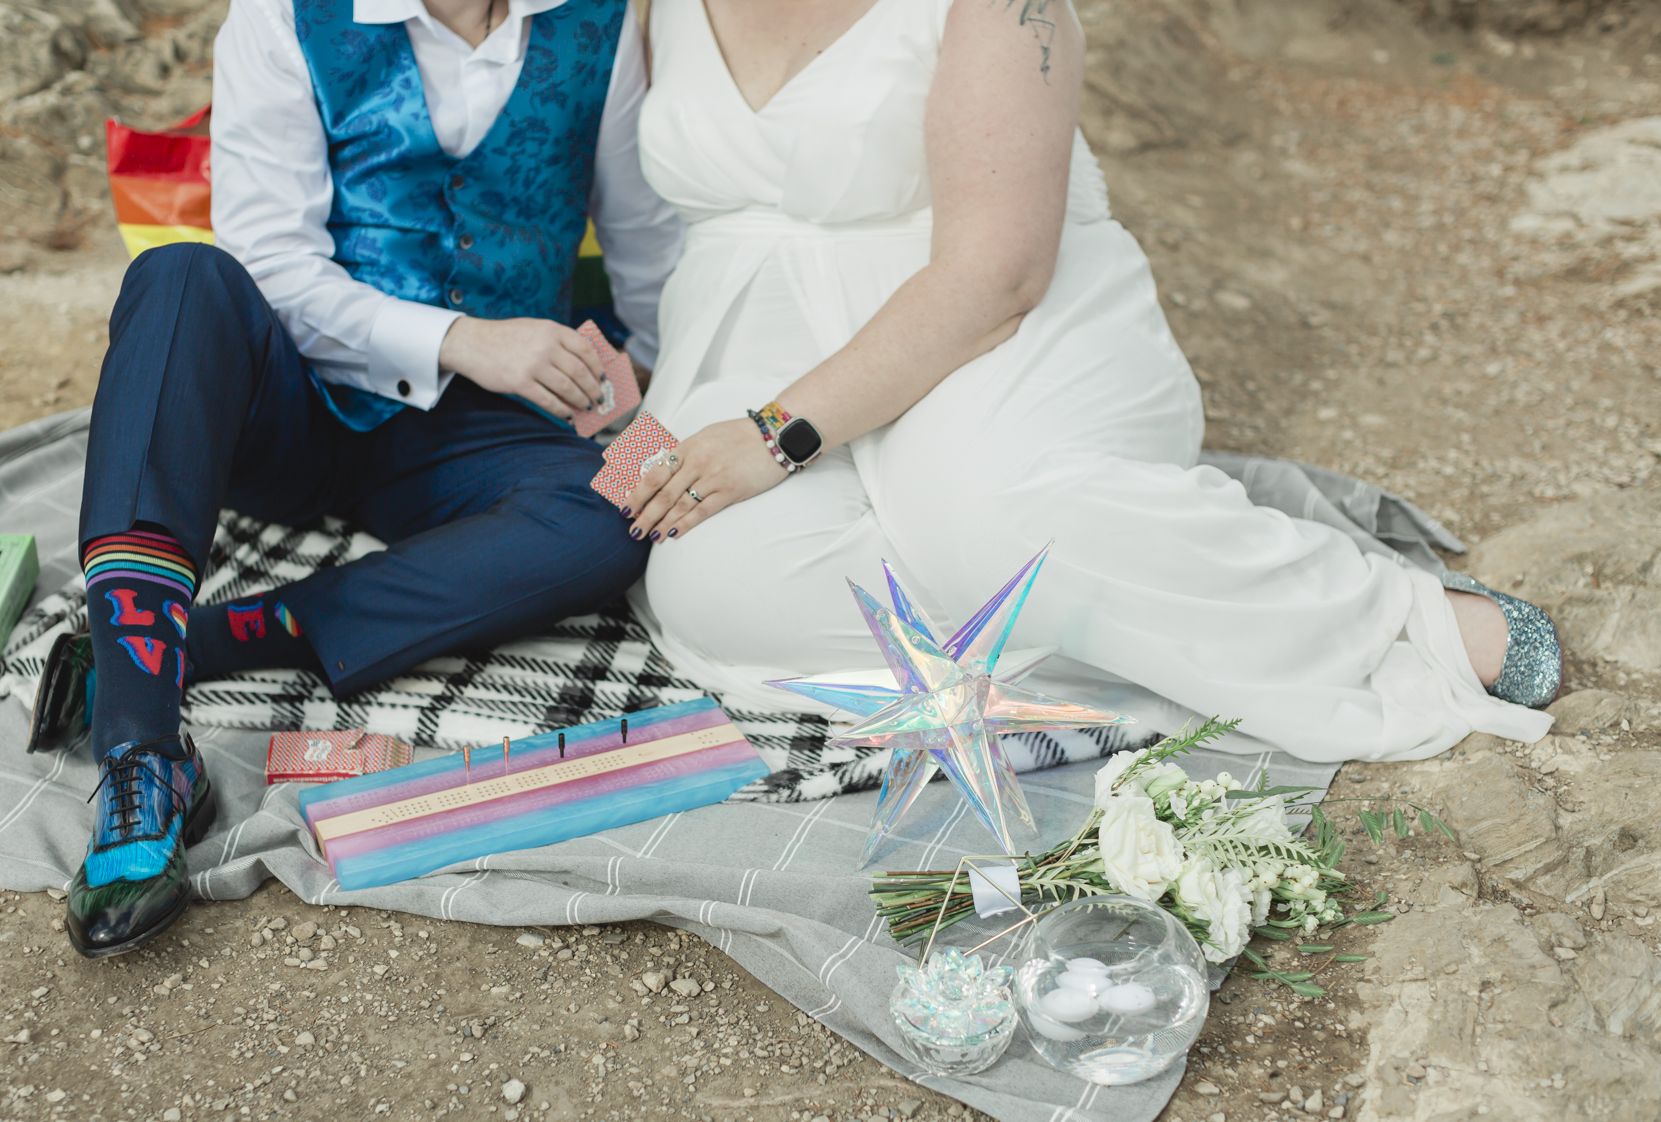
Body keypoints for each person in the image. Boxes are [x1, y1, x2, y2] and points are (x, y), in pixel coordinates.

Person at [621, 0, 1558, 765]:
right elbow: (644, 227)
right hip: (750, 328)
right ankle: (1143, 605)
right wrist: (649, 382)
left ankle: (1400, 622)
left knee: (999, 522)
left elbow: (998, 278)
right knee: (719, 587)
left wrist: (776, 432)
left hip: (978, 308)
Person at [55, 0, 682, 958]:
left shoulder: (600, 16)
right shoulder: (283, 15)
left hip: (479, 431)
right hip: (297, 408)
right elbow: (268, 264)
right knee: (184, 277)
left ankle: (206, 637)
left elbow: (643, 243)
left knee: (616, 510)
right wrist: (462, 339)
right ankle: (143, 751)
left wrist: (662, 427)